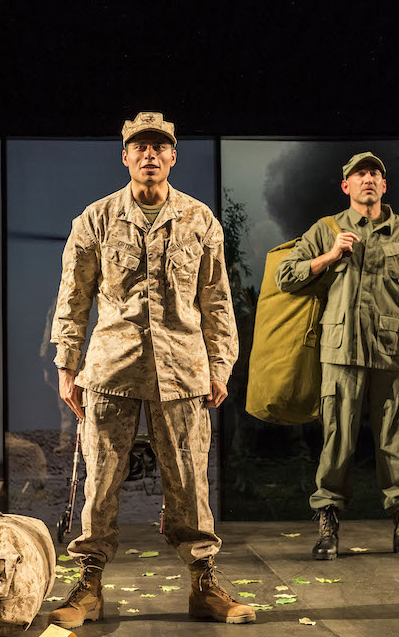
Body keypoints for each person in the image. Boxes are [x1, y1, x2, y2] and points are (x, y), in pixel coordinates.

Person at [48, 112, 253, 628]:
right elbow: (73, 299)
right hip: (111, 369)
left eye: (159, 147)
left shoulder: (200, 220)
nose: (149, 155)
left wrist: (221, 364)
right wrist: (66, 365)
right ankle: (89, 587)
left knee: (188, 481)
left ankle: (204, 586)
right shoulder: (94, 220)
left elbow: (217, 301)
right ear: (125, 156)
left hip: (182, 370)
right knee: (101, 481)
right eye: (139, 147)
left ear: (173, 155)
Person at [276, 152, 399, 560]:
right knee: (337, 440)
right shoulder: (326, 230)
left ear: (384, 186)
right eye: (358, 174)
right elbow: (286, 277)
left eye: (374, 174)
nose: (367, 179)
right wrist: (330, 255)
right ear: (346, 186)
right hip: (341, 353)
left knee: (398, 441)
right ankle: (328, 525)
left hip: (393, 355)